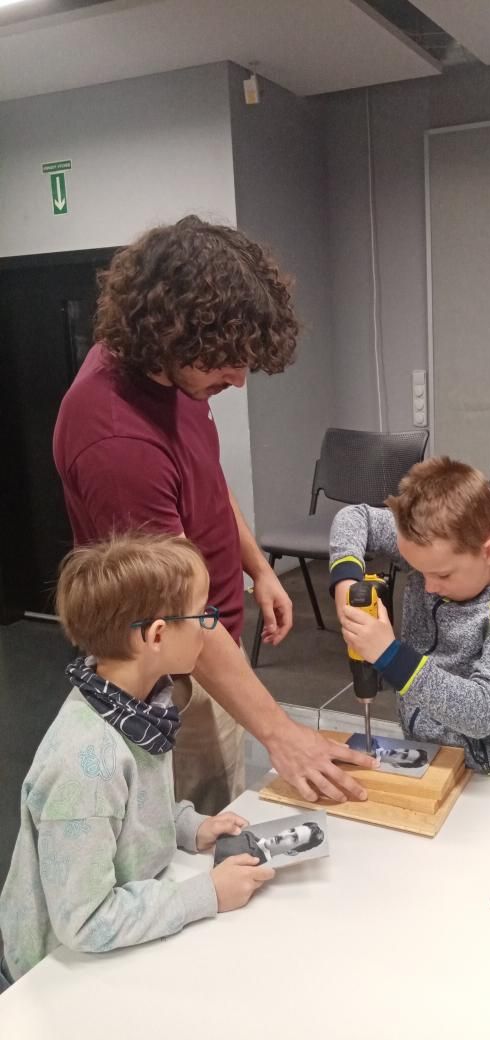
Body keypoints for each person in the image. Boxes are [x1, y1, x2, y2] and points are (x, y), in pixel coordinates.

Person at [52, 215, 374, 814]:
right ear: (168, 332)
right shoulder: (117, 441)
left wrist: (259, 568)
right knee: (196, 828)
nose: (239, 379)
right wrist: (281, 734)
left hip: (207, 636)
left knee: (223, 805)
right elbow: (174, 606)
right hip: (169, 665)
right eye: (225, 361)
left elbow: (206, 479)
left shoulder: (174, 379)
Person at [0, 533, 276, 987]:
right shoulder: (88, 764)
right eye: (201, 615)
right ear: (157, 635)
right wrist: (205, 894)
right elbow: (86, 921)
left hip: (119, 934)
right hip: (57, 975)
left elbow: (134, 811)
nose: (209, 626)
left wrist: (188, 826)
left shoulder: (136, 705)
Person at [330, 457, 490, 778]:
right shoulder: (430, 545)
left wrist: (390, 656)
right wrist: (345, 581)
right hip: (432, 756)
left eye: (442, 575)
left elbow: (482, 712)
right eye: (418, 570)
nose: (429, 587)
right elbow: (354, 517)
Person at [215, 822, 325, 865]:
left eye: (294, 838)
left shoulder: (252, 862)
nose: (284, 835)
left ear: (291, 852)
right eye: (291, 830)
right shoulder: (249, 834)